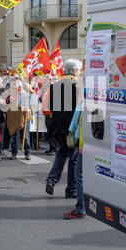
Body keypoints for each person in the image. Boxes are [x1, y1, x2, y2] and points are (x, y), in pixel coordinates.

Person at [45, 59, 82, 198]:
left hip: (58, 127)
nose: (79, 73)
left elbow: (51, 107)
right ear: (74, 71)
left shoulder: (55, 86)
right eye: (78, 70)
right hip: (72, 128)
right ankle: (71, 190)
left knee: (61, 154)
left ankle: (51, 180)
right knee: (73, 159)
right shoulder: (77, 86)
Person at [64, 103, 85, 219]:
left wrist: (82, 143)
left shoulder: (86, 101)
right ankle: (82, 206)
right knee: (80, 174)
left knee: (79, 175)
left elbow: (83, 123)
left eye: (78, 83)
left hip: (83, 143)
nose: (76, 85)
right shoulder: (84, 100)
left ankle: (81, 208)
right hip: (81, 141)